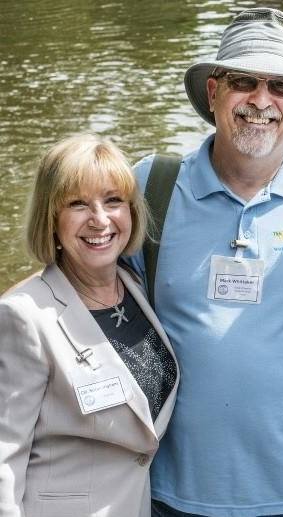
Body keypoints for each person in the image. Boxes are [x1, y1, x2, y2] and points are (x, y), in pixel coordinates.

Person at [128, 7, 283, 517]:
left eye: (280, 85)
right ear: (213, 93)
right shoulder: (150, 185)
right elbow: (81, 284)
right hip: (167, 492)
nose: (260, 100)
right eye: (242, 82)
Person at [0, 134, 180, 517]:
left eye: (113, 201)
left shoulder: (134, 286)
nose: (100, 220)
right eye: (78, 204)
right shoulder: (23, 316)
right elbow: (4, 455)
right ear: (51, 218)